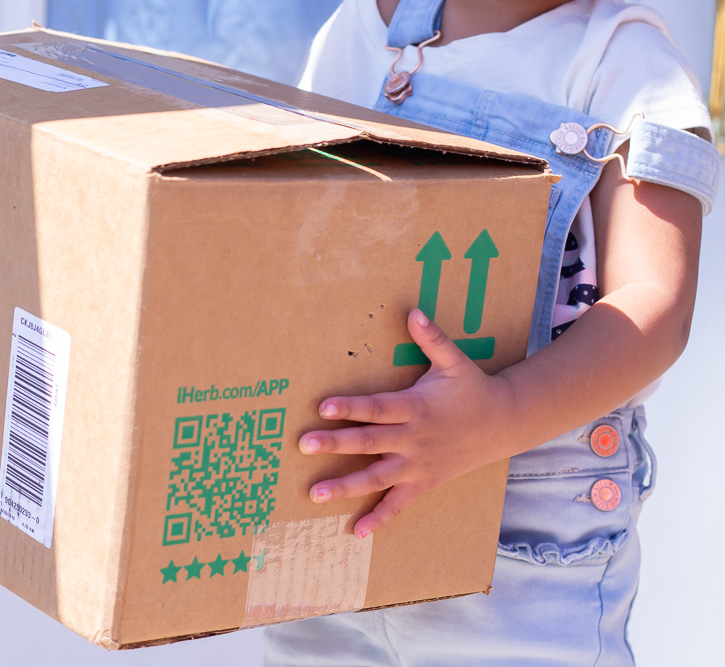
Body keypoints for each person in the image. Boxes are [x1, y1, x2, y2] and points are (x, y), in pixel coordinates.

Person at [264, 0, 720, 664]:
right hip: (338, 506)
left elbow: (656, 308)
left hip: (527, 549)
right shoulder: (358, 31)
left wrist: (502, 412)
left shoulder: (628, 64)